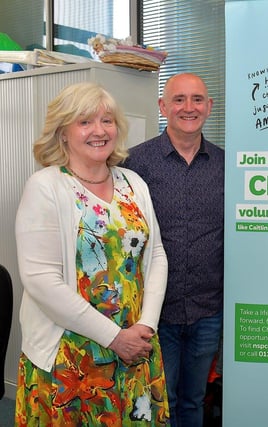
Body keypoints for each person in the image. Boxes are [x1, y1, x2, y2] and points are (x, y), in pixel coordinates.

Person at [14, 82, 169, 426]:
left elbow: (155, 254)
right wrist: (115, 338)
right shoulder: (46, 187)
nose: (99, 130)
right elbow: (41, 281)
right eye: (85, 122)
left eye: (107, 120)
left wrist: (145, 326)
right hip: (70, 359)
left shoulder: (133, 183)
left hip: (134, 349)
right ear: (63, 133)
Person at [123, 73, 224, 427]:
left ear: (209, 107)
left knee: (195, 401)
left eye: (197, 99)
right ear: (162, 106)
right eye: (178, 99)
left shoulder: (227, 167)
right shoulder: (133, 165)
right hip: (154, 314)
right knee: (154, 402)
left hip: (208, 311)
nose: (188, 108)